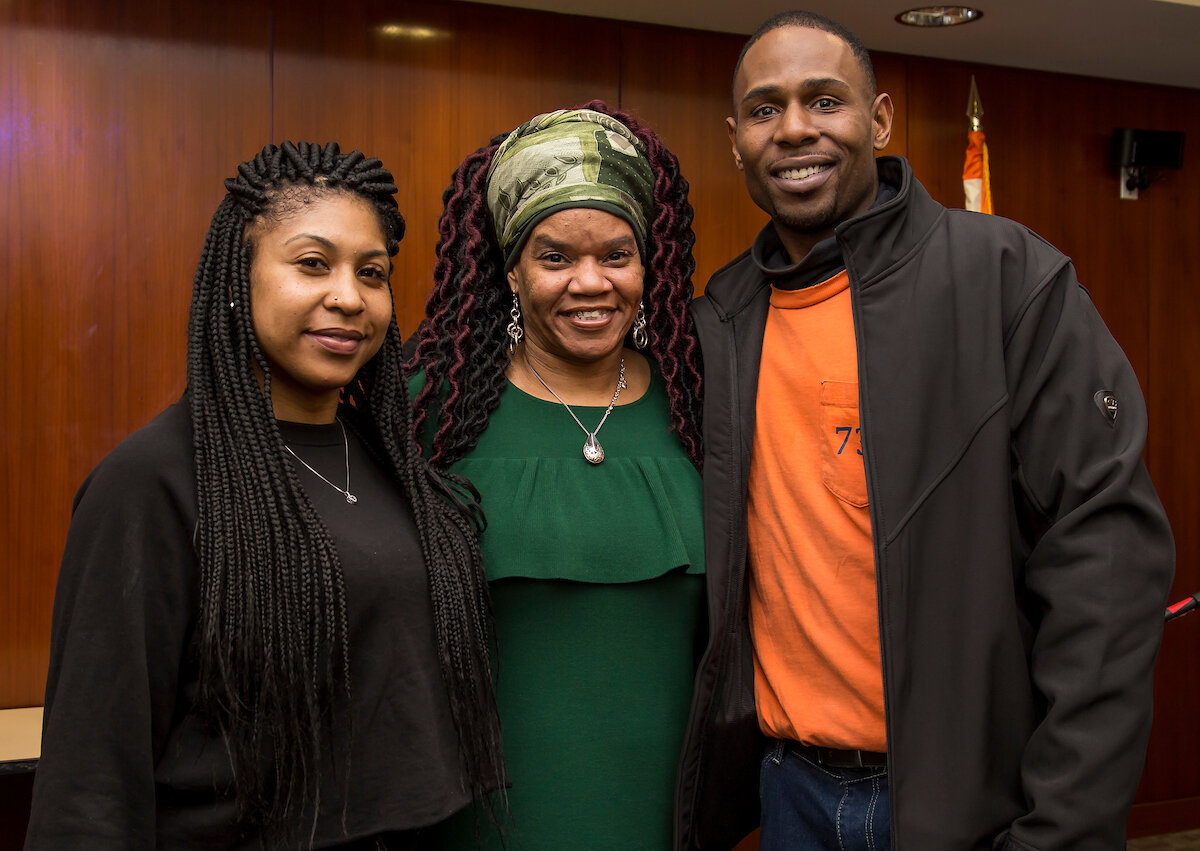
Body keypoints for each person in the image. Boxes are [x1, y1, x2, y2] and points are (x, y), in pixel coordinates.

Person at [678, 11, 1176, 851]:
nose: (795, 127)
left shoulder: (1007, 279)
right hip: (787, 791)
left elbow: (1106, 572)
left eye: (824, 100)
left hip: (969, 803)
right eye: (765, 109)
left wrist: (1065, 823)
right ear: (736, 141)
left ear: (879, 120)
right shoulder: (720, 322)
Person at [25, 141, 505, 850]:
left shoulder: (392, 465)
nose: (348, 296)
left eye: (372, 274)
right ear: (236, 278)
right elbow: (93, 772)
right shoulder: (152, 481)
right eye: (313, 264)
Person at [407, 103, 705, 849]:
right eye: (555, 257)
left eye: (615, 254)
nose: (590, 282)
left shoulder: (701, 403)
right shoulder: (431, 411)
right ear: (511, 269)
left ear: (648, 264)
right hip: (484, 819)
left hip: (670, 812)